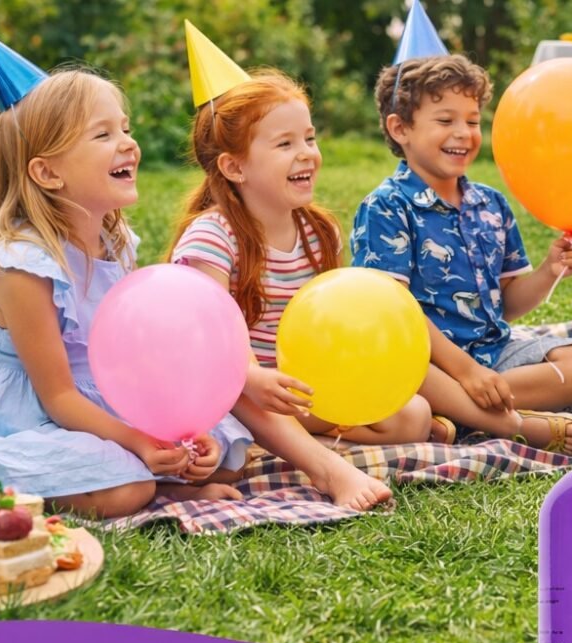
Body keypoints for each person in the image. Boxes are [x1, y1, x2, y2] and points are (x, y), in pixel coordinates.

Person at [0, 50, 260, 517]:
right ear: (47, 172)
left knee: (225, 456)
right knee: (125, 490)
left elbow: (128, 354)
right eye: (103, 134)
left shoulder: (115, 243)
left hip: (90, 391)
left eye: (126, 128)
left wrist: (176, 427)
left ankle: (158, 479)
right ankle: (154, 490)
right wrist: (140, 441)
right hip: (19, 416)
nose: (128, 144)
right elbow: (57, 398)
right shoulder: (23, 268)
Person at [170, 60, 437, 447]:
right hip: (234, 391)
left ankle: (304, 438)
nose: (306, 153)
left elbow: (330, 317)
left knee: (413, 416)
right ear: (234, 166)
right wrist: (252, 377)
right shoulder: (212, 239)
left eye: (309, 139)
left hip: (298, 391)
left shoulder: (320, 232)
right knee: (231, 429)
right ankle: (303, 441)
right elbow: (209, 338)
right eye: (285, 144)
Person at [350, 55, 572, 455]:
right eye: (445, 120)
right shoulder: (387, 207)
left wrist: (549, 270)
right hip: (425, 363)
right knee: (403, 372)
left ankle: (455, 415)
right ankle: (507, 421)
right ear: (400, 129)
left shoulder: (491, 204)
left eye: (472, 121)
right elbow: (393, 314)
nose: (463, 133)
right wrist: (464, 371)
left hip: (492, 353)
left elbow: (508, 303)